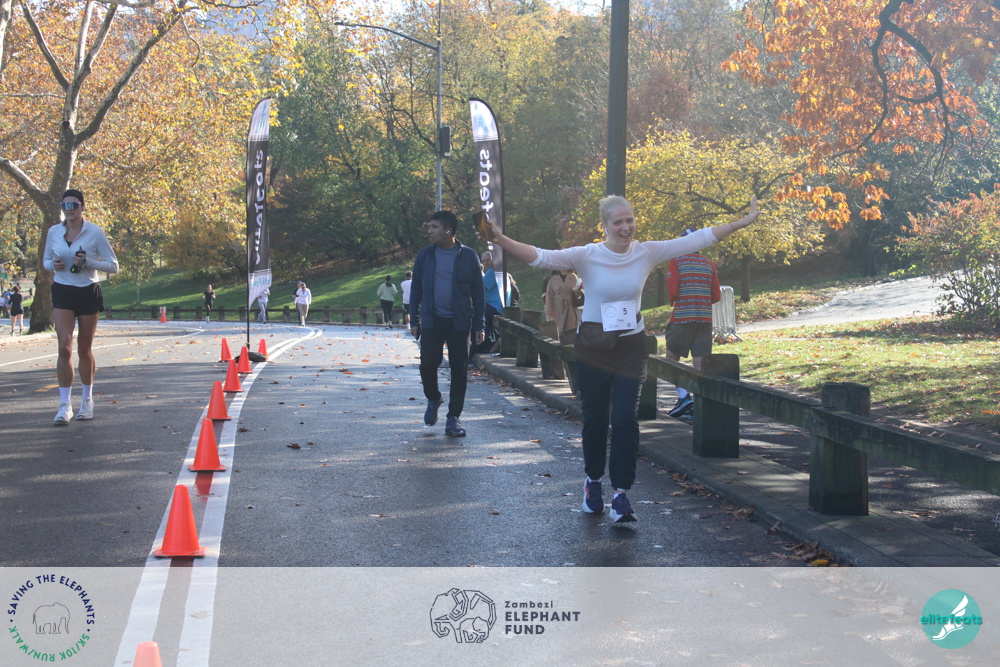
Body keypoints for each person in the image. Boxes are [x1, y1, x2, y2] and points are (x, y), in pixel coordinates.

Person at [485, 195, 759, 522]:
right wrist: (500, 239)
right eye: (618, 222)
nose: (626, 227)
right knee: (596, 418)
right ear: (605, 226)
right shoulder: (587, 255)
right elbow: (540, 257)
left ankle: (621, 495)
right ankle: (593, 482)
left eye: (629, 220)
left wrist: (741, 222)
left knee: (627, 419)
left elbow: (698, 239)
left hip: (631, 346)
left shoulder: (647, 252)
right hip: (594, 347)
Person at [42, 188, 120, 424]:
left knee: (84, 350)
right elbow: (46, 260)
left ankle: (87, 400)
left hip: (87, 291)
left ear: (82, 207)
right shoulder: (54, 231)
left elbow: (113, 266)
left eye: (74, 205)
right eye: (65, 206)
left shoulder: (95, 232)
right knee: (63, 349)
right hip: (62, 290)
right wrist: (53, 265)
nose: (70, 210)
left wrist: (88, 262)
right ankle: (64, 405)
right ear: (62, 209)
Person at [410, 210, 486, 437]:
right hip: (432, 321)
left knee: (459, 370)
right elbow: (416, 289)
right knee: (427, 365)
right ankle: (434, 398)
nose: (429, 231)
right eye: (429, 226)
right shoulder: (425, 255)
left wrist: (479, 324)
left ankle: (453, 418)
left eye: (434, 227)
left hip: (460, 322)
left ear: (448, 230)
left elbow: (478, 292)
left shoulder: (468, 256)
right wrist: (414, 318)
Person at [664, 231, 722, 420]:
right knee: (700, 363)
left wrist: (675, 300)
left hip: (682, 318)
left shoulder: (676, 261)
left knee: (671, 359)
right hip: (704, 319)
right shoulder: (709, 263)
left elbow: (673, 290)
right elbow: (716, 296)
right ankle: (699, 405)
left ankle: (683, 397)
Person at [472, 251, 504, 356]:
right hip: (498, 305)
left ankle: (481, 343)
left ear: (494, 260)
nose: (486, 263)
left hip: (495, 306)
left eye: (488, 260)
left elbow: (479, 287)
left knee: (477, 314)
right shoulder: (497, 271)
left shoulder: (492, 271)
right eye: (484, 261)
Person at [544, 269, 582, 335]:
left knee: (571, 329)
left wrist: (578, 290)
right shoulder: (553, 278)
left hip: (570, 308)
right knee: (558, 329)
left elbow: (577, 295)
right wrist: (549, 311)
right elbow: (549, 295)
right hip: (557, 308)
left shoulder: (573, 276)